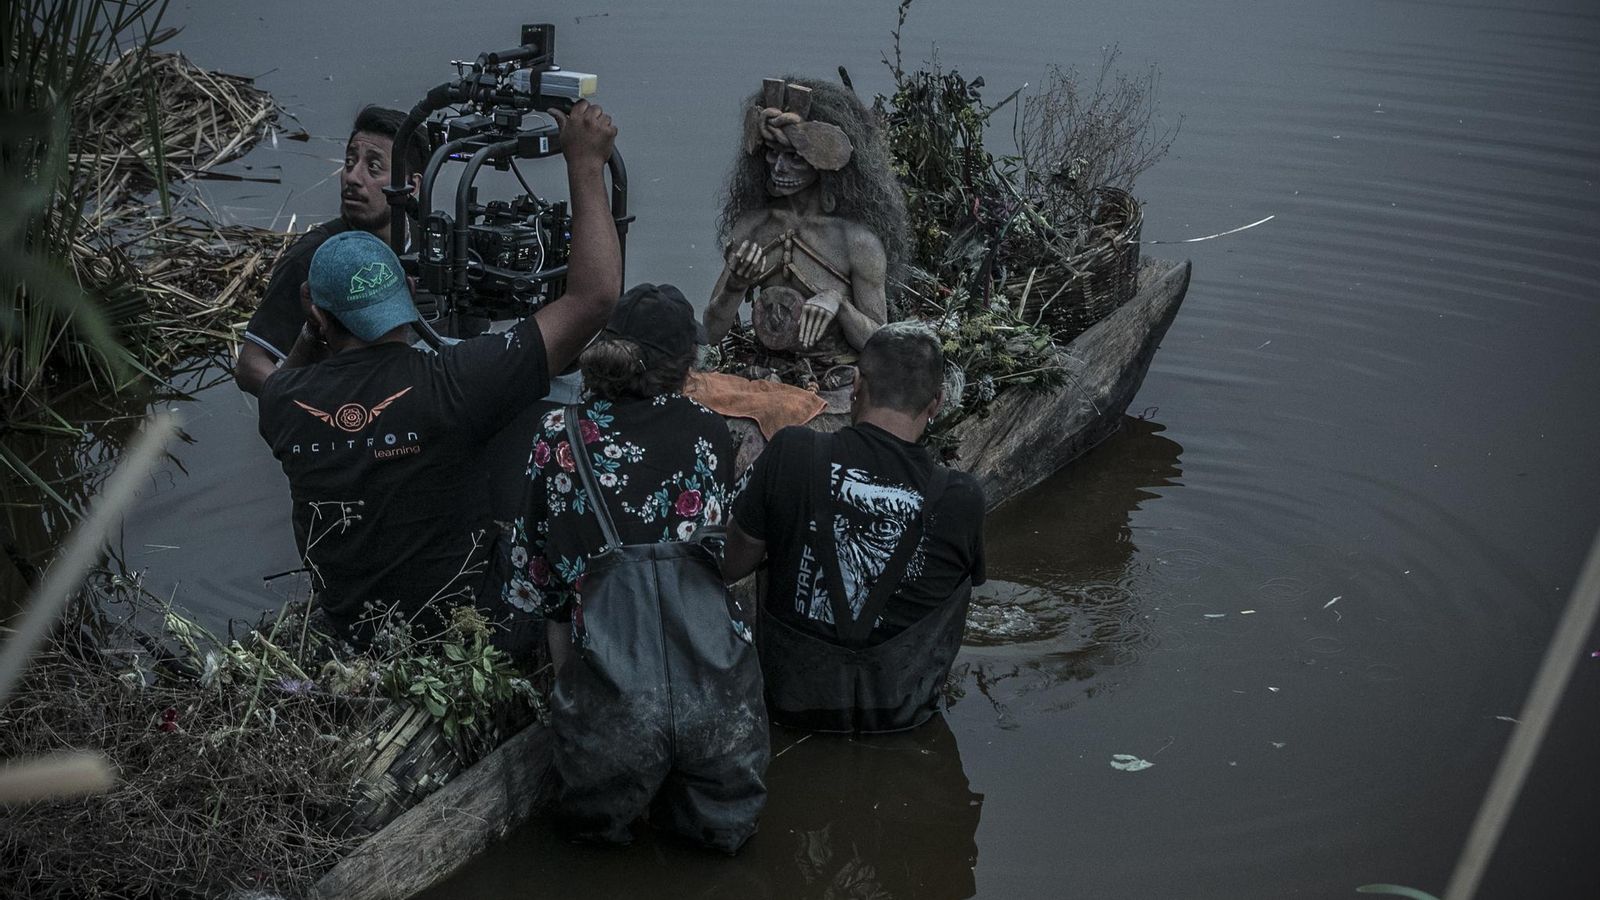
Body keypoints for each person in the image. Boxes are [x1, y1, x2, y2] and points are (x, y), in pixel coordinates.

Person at [254, 100, 620, 644]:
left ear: (315, 311)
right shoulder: (453, 382)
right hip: (462, 629)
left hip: (353, 627)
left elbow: (280, 376)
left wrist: (310, 332)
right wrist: (586, 165)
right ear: (406, 289)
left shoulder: (283, 405)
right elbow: (594, 297)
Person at [503, 283, 768, 853]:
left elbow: (537, 584)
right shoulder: (709, 431)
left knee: (594, 849)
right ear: (686, 364)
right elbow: (720, 558)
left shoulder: (557, 435)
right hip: (712, 692)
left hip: (609, 698)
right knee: (720, 847)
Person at [721, 322, 986, 733]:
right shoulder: (961, 497)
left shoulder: (792, 451)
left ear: (855, 384)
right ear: (936, 403)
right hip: (900, 719)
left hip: (793, 708)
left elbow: (731, 564)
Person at [702, 76, 909, 386]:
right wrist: (735, 285)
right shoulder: (753, 226)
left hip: (834, 382)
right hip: (761, 379)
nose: (779, 168)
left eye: (795, 158)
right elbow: (712, 332)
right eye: (772, 153)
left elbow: (878, 342)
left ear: (823, 163)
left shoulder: (856, 242)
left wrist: (838, 303)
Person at [235, 106, 427, 396]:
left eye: (373, 167)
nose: (352, 177)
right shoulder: (312, 258)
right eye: (350, 162)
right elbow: (250, 367)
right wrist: (312, 410)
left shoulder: (435, 248)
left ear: (411, 186)